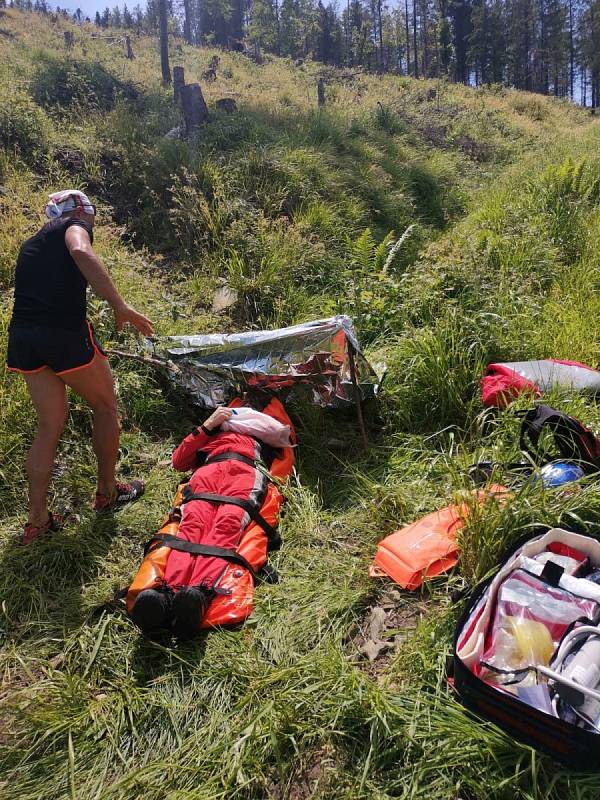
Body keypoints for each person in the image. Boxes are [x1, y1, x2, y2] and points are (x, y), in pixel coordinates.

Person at [6, 189, 154, 544]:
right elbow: (80, 250)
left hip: (24, 340)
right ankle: (107, 492)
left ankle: (37, 522)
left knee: (48, 425)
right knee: (105, 406)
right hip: (64, 337)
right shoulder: (73, 226)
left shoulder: (31, 244)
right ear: (82, 211)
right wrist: (120, 305)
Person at [131, 403, 281, 639]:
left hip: (244, 473)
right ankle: (167, 594)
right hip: (208, 475)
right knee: (191, 528)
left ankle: (200, 593)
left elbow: (281, 442)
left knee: (226, 527)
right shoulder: (210, 433)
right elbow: (179, 461)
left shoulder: (263, 434)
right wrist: (208, 427)